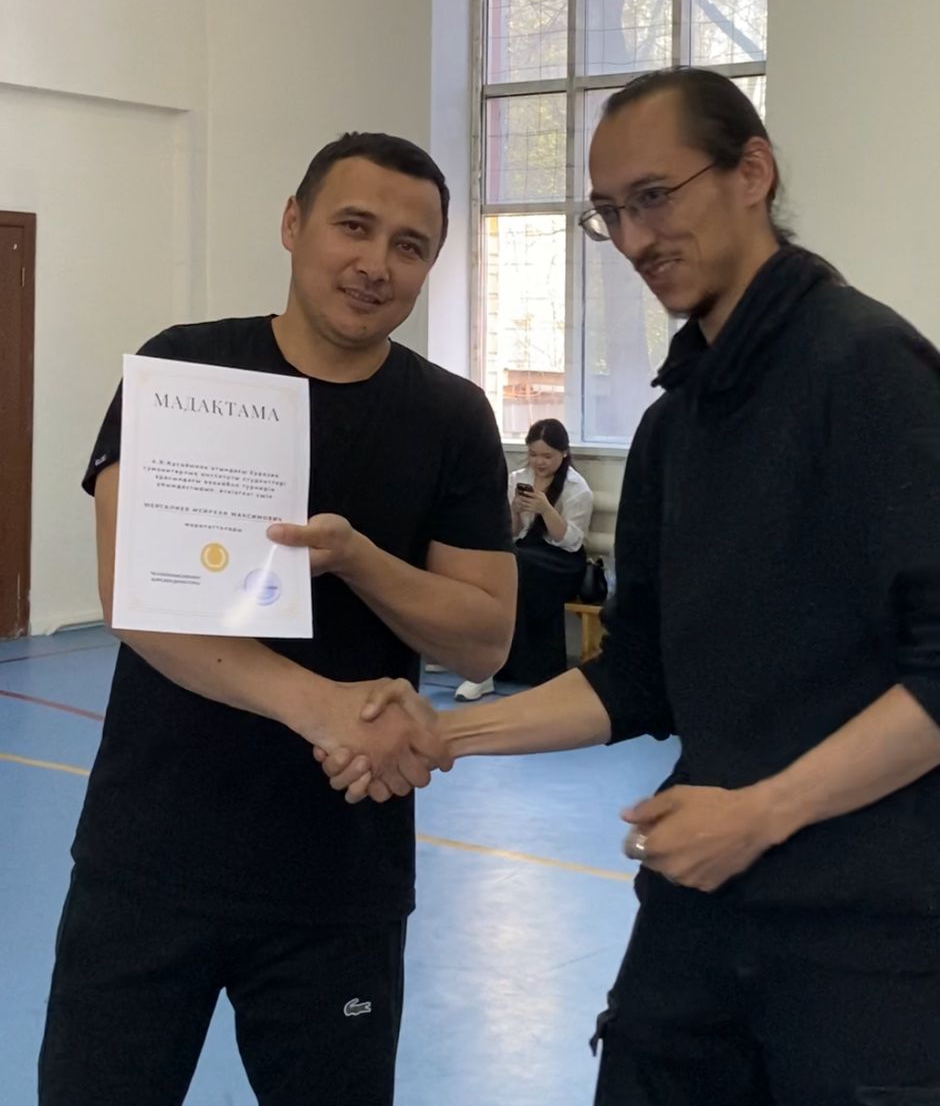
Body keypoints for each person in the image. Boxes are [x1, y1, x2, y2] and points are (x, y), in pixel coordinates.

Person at [319, 71, 940, 1106]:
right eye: (610, 212)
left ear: (752, 171)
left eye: (655, 196)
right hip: (701, 906)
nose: (635, 237)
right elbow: (638, 671)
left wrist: (764, 812)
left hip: (865, 934)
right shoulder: (674, 423)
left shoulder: (869, 371)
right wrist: (444, 733)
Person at [38, 131, 516, 1106]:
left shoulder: (451, 417)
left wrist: (357, 558)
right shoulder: (186, 366)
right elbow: (135, 598)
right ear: (293, 224)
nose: (376, 264)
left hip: (338, 878)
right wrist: (319, 705)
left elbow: (483, 636)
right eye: (353, 226)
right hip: (150, 858)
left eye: (411, 245)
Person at [455, 419, 593, 700]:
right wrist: (515, 511)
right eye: (533, 454)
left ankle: (493, 670)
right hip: (526, 552)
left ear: (564, 453)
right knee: (504, 564)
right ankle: (486, 666)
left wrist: (546, 510)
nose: (539, 462)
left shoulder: (577, 488)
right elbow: (512, 534)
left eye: (547, 456)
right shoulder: (517, 479)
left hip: (562, 561)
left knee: (514, 567)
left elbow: (570, 542)